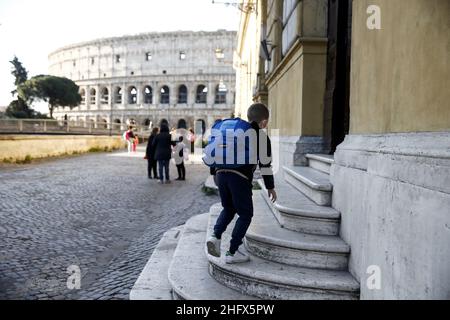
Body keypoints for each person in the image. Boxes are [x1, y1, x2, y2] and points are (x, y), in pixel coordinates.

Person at [206, 103, 277, 264]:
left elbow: (215, 150)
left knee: (229, 208)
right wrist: (270, 187)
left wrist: (215, 174)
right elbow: (265, 165)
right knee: (245, 214)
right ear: (264, 122)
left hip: (220, 174)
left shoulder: (234, 132)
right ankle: (232, 252)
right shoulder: (260, 136)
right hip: (239, 177)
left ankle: (215, 236)